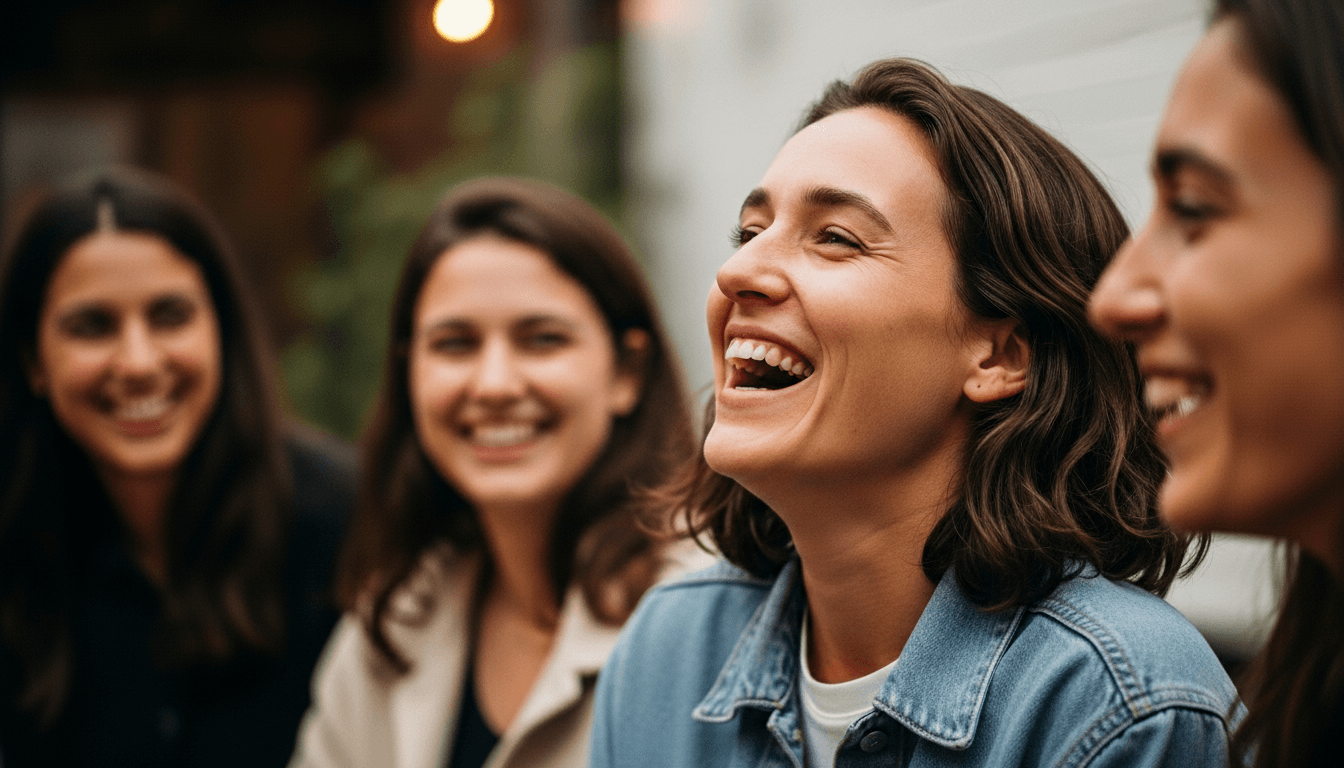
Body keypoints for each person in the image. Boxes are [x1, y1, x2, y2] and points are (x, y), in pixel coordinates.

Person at [590, 57, 1242, 768]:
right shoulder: (667, 650)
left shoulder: (1120, 704)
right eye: (750, 233)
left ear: (999, 355)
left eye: (834, 237)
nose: (737, 272)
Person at [290, 176, 698, 768]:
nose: (495, 385)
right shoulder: (396, 620)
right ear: (410, 373)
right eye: (455, 344)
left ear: (626, 372)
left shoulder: (703, 614)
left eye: (542, 340)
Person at [0, 167, 356, 767]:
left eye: (170, 316)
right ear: (34, 360)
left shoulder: (347, 522)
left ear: (222, 331)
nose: (138, 362)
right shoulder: (13, 540)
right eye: (92, 326)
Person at [1088, 1, 1344, 765]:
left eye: (1195, 209)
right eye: (750, 228)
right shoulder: (1305, 701)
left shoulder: (1121, 697)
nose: (1112, 298)